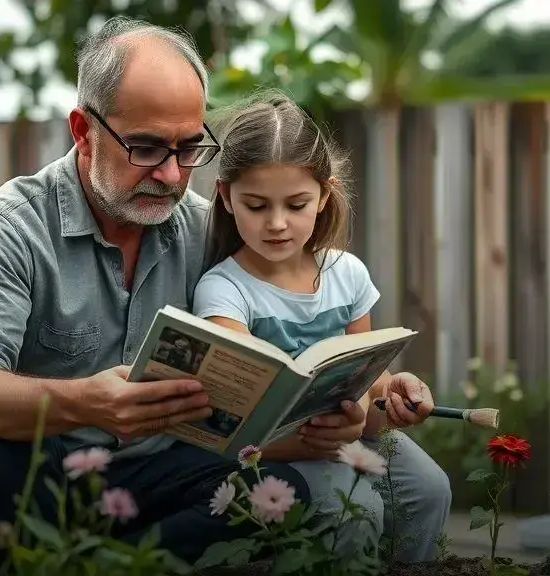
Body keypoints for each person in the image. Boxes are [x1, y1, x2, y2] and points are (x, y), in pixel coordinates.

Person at [0, 18, 315, 572]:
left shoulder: (204, 230)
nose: (173, 175)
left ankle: (102, 565)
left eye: (190, 147)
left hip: (147, 472)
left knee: (279, 491)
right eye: (147, 148)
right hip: (33, 468)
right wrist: (86, 402)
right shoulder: (7, 227)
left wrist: (337, 404)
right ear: (82, 129)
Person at [191, 91, 452, 563]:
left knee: (430, 490)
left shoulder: (346, 274)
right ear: (226, 197)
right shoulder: (223, 289)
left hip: (353, 436)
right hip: (275, 451)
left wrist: (397, 394)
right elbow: (237, 422)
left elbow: (368, 391)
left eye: (296, 204)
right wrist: (339, 437)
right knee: (355, 513)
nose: (276, 224)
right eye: (256, 205)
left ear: (324, 194)